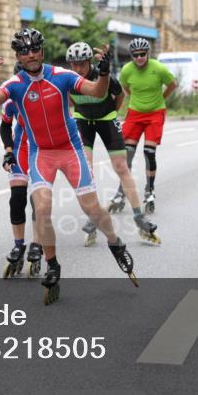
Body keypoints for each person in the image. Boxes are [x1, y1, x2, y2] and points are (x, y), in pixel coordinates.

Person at [0, 28, 138, 305]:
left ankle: (115, 242)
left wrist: (103, 73)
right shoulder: (16, 84)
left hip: (70, 150)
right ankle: (53, 265)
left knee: (91, 208)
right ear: (17, 55)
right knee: (41, 209)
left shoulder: (61, 76)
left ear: (41, 51)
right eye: (23, 51)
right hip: (41, 154)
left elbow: (96, 92)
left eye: (34, 49)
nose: (30, 55)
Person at [64, 41, 159, 246]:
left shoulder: (103, 75)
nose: (78, 68)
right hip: (83, 123)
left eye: (82, 64)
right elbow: (69, 100)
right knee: (86, 170)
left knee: (121, 167)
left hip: (107, 120)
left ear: (89, 62)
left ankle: (139, 218)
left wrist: (112, 113)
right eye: (74, 64)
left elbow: (120, 95)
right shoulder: (69, 79)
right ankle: (94, 216)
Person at [118, 38, 177, 214]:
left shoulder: (158, 68)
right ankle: (122, 190)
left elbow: (172, 85)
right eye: (135, 55)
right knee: (127, 153)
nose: (139, 58)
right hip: (135, 114)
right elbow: (126, 88)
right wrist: (137, 100)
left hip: (155, 114)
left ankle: (149, 190)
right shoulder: (127, 70)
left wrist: (161, 99)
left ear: (148, 54)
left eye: (143, 54)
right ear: (131, 56)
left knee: (149, 152)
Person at [0, 95, 42, 278]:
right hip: (21, 148)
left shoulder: (46, 92)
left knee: (39, 200)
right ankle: (18, 245)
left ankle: (37, 244)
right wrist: (8, 151)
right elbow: (5, 125)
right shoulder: (11, 98)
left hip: (43, 148)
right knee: (17, 198)